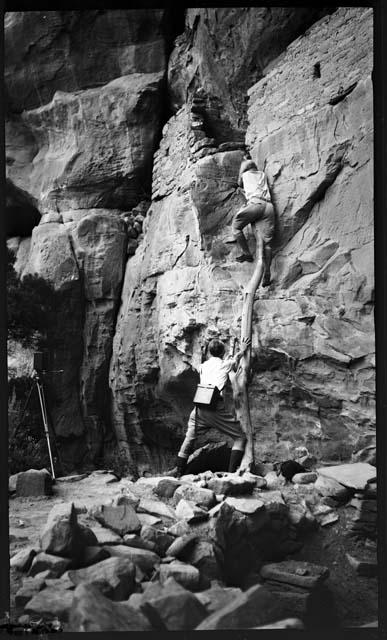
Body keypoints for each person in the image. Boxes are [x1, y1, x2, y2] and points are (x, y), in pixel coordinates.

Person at [166, 336, 251, 478]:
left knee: (189, 438)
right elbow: (236, 360)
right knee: (240, 438)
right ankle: (231, 476)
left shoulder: (203, 366)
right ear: (223, 352)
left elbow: (216, 368)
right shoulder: (225, 364)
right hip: (214, 407)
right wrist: (242, 350)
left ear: (209, 353)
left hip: (199, 407)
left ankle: (178, 470)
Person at [232, 151, 274, 286]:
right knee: (267, 244)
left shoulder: (245, 172)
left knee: (236, 227)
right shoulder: (262, 175)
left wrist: (242, 169)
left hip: (256, 204)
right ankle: (267, 273)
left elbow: (239, 181)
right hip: (268, 206)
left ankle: (247, 253)